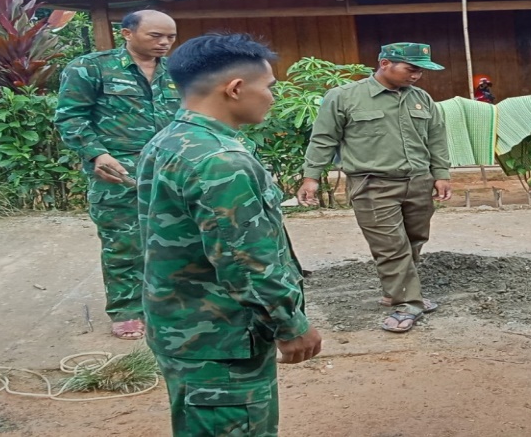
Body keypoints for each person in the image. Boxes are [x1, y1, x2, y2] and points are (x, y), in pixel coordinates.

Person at [138, 33, 321, 437]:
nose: (273, 97)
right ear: (236, 89)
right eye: (269, 87)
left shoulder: (169, 140)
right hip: (221, 337)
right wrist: (289, 325)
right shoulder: (220, 160)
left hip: (184, 328)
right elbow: (246, 261)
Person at [298, 43, 453, 334]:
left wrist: (441, 174)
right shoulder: (344, 98)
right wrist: (311, 177)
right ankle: (407, 303)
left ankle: (395, 291)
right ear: (384, 63)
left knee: (414, 240)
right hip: (373, 185)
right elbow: (323, 139)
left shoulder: (421, 99)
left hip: (418, 182)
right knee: (391, 246)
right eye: (411, 69)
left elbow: (436, 138)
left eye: (421, 70)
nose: (417, 76)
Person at [54, 9, 180, 340]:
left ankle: (171, 304)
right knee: (123, 242)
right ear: (127, 33)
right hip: (118, 172)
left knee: (179, 240)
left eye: (170, 37)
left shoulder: (181, 72)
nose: (164, 43)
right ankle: (127, 309)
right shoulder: (91, 68)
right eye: (156, 36)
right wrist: (96, 153)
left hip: (172, 170)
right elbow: (70, 117)